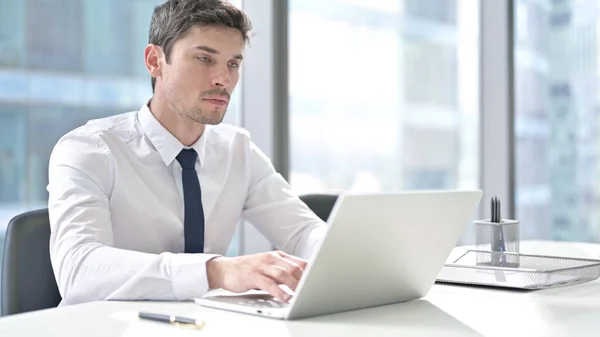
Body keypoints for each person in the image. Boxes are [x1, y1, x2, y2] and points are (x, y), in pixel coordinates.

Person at [47, 0, 327, 306]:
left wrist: (341, 257)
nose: (224, 80)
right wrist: (215, 271)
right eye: (205, 59)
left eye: (233, 63)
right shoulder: (89, 150)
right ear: (155, 61)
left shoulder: (237, 150)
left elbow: (302, 231)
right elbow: (78, 269)